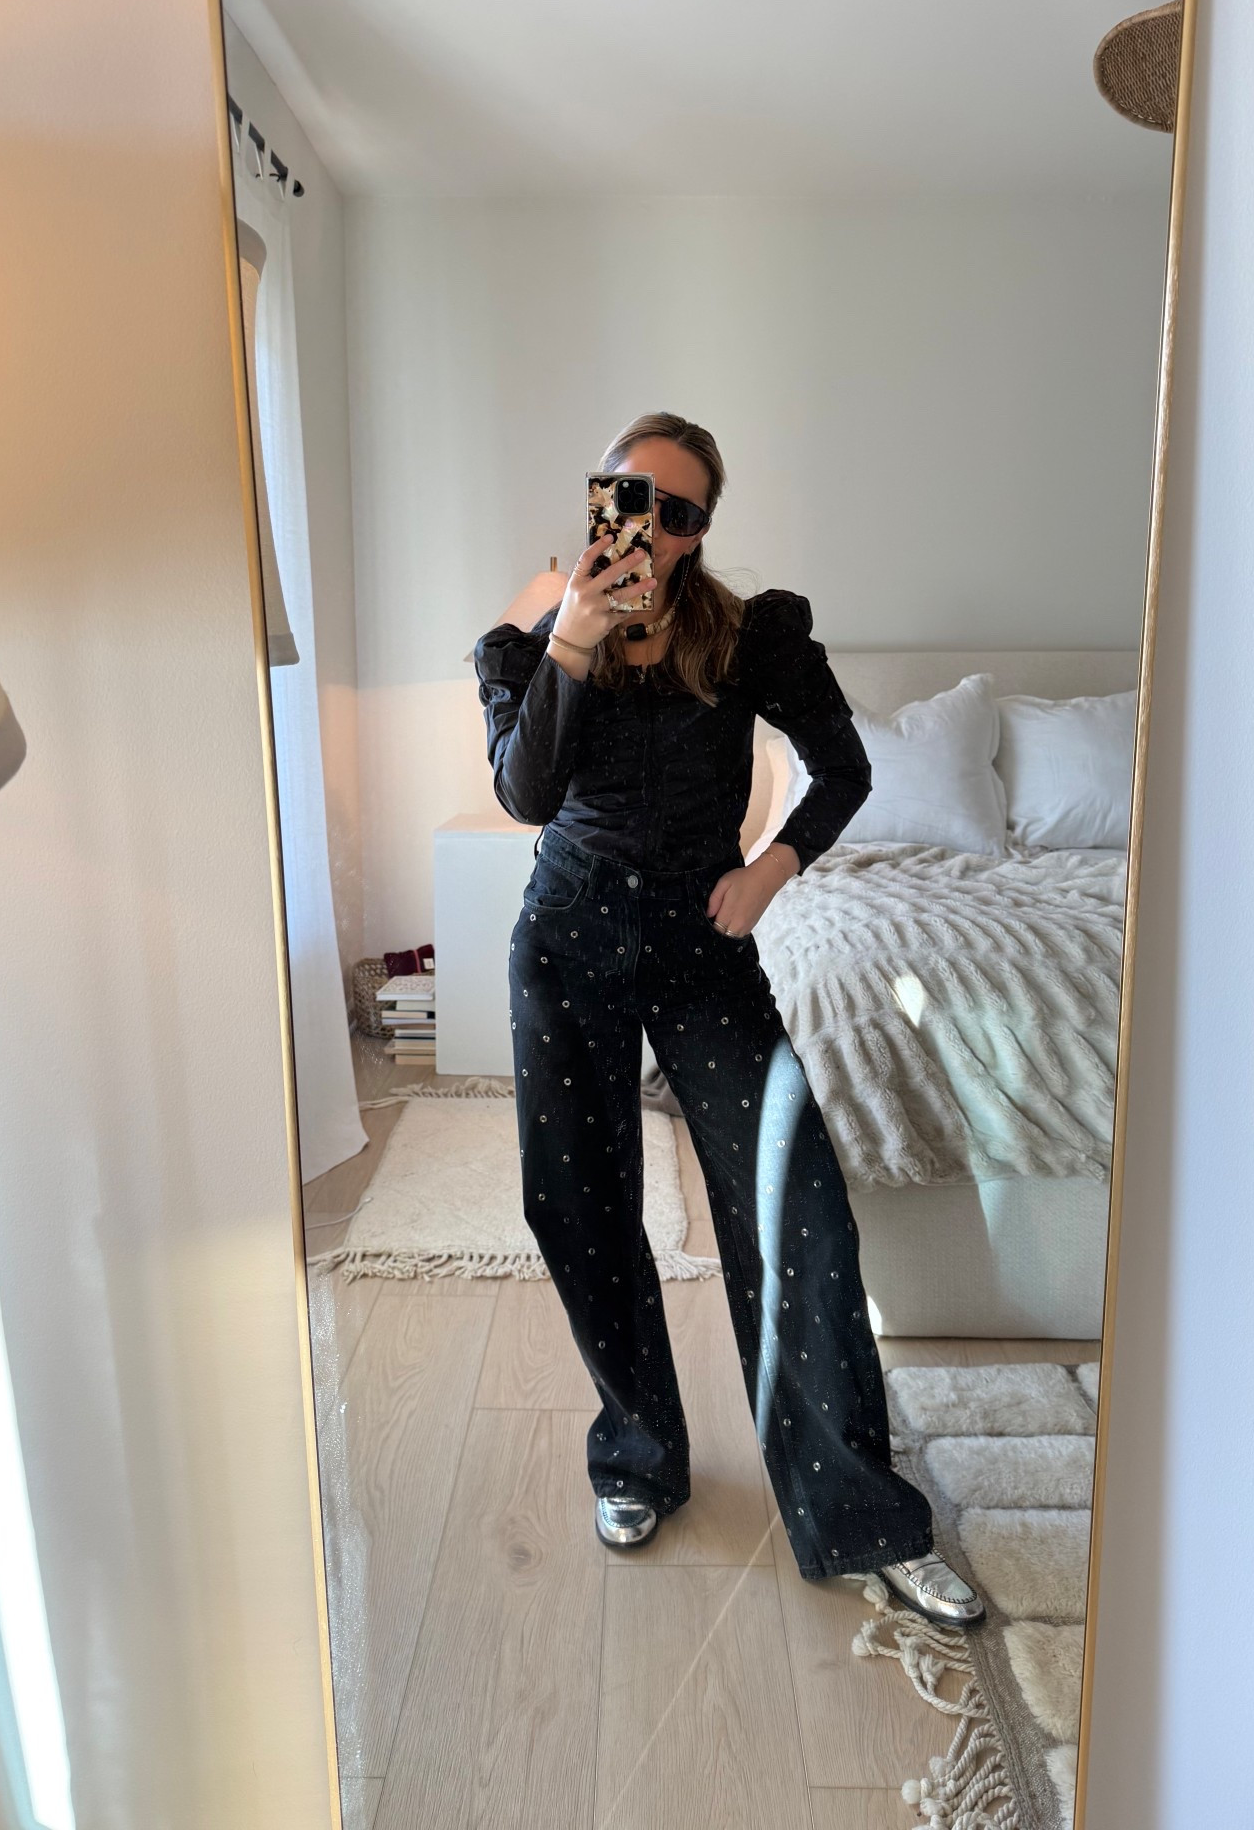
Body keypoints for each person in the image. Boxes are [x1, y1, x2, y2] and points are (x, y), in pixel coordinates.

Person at [472, 411, 985, 1627]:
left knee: (796, 1200)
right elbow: (526, 794)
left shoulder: (749, 637)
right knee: (582, 1203)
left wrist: (771, 869)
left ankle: (861, 1512)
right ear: (599, 495)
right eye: (633, 494)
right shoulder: (528, 642)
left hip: (706, 948)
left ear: (703, 529)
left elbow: (845, 767)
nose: (654, 524)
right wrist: (575, 633)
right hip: (569, 938)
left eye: (683, 508)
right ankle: (638, 1453)